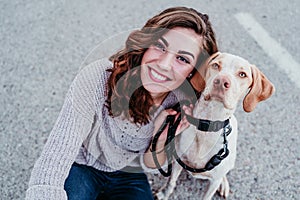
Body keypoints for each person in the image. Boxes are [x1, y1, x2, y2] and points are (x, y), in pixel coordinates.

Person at [25, 6, 218, 200]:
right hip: (83, 165)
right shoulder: (99, 77)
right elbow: (58, 150)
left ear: (193, 71)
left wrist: (159, 140)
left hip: (128, 174)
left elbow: (151, 166)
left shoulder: (183, 102)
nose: (164, 64)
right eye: (160, 46)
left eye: (182, 59)